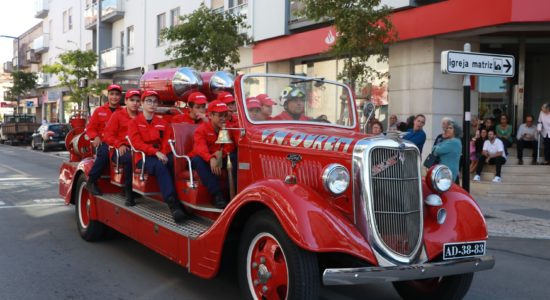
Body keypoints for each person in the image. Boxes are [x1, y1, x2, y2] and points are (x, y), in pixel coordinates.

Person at [128, 90, 188, 223]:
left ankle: (185, 202)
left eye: (155, 101)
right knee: (160, 166)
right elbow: (136, 144)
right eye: (148, 101)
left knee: (176, 162)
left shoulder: (162, 123)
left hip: (161, 155)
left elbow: (167, 141)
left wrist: (165, 153)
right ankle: (173, 205)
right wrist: (155, 152)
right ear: (142, 104)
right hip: (143, 158)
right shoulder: (134, 122)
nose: (152, 104)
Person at [189, 100, 237, 209]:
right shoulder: (201, 129)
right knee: (197, 160)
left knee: (234, 156)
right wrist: (211, 158)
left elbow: (230, 146)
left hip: (219, 158)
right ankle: (217, 195)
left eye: (225, 115)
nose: (223, 118)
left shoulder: (226, 128)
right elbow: (199, 148)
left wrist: (220, 154)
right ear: (210, 115)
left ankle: (234, 193)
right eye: (220, 115)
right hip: (203, 159)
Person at [103, 89, 141, 206]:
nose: (135, 103)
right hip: (119, 150)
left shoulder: (142, 117)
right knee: (130, 159)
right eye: (132, 100)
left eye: (138, 101)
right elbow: (107, 135)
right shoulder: (117, 116)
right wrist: (119, 144)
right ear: (126, 101)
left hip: (139, 149)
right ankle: (128, 193)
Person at [86, 84, 123, 195]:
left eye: (117, 94)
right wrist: (95, 137)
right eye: (112, 94)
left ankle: (126, 186)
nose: (114, 97)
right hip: (104, 142)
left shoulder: (124, 112)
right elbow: (90, 128)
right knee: (104, 153)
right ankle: (91, 181)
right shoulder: (99, 111)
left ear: (120, 96)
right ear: (108, 95)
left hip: (119, 142)